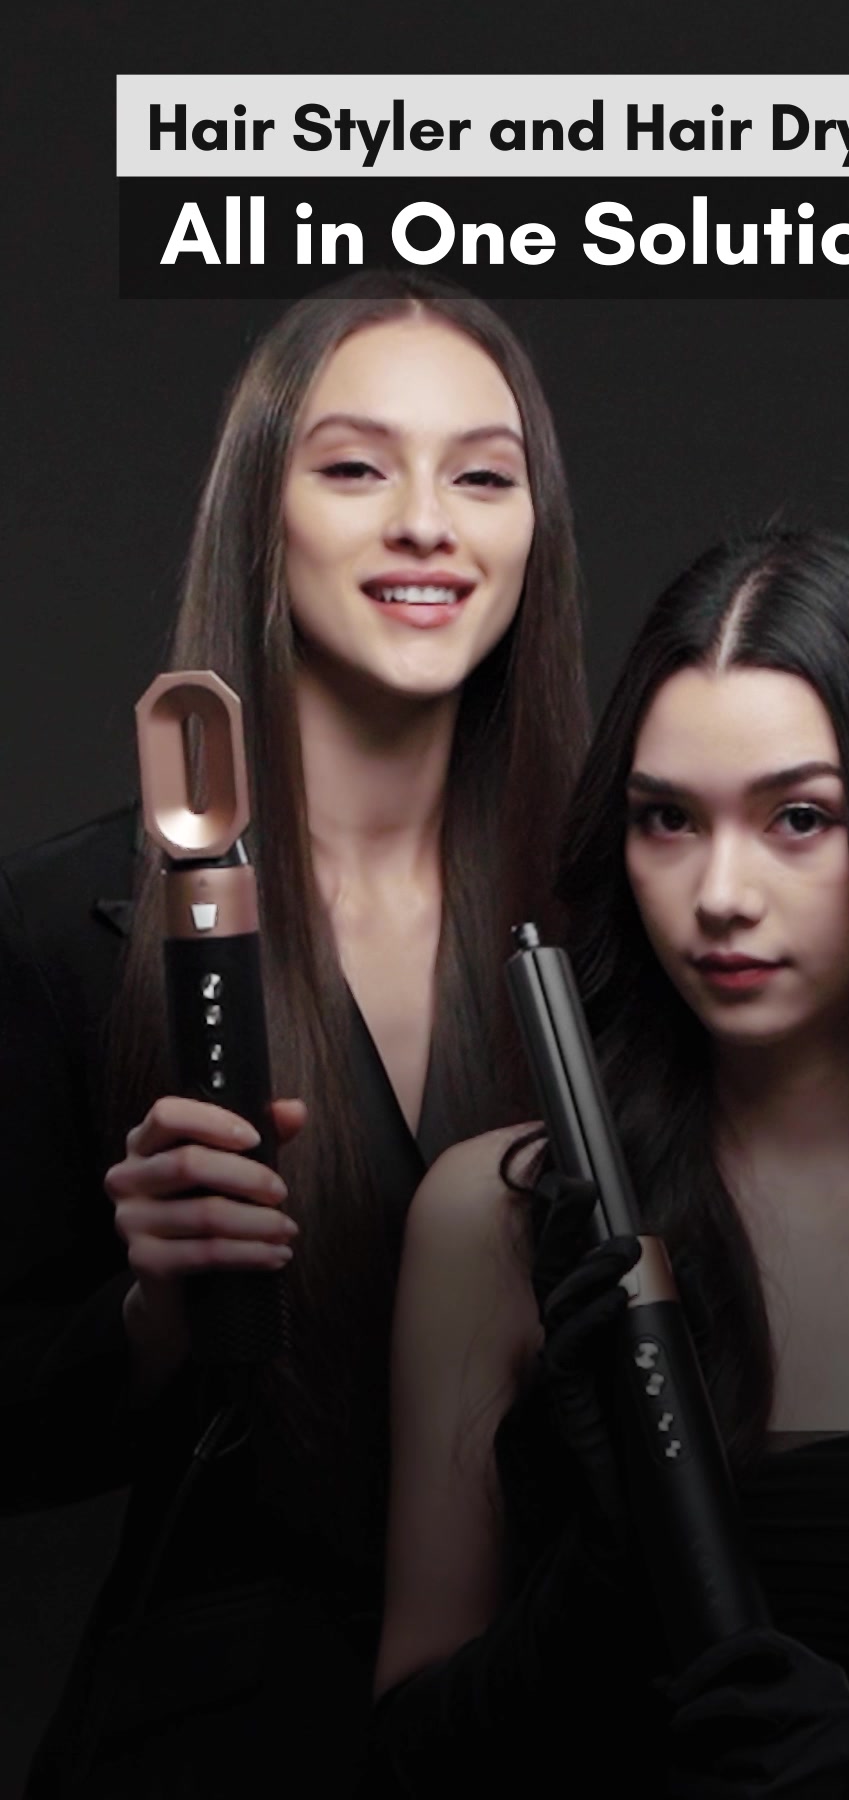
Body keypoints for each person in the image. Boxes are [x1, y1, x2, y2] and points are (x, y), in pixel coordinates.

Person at [373, 526, 849, 1797]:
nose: (719, 894)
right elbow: (402, 1762)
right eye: (667, 820)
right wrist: (608, 1566)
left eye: (799, 818)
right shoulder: (500, 1213)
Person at [0, 274, 587, 1796]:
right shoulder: (58, 928)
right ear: (262, 515)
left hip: (557, 1728)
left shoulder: (616, 920)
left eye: (483, 476)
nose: (426, 524)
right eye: (356, 467)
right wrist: (150, 1319)